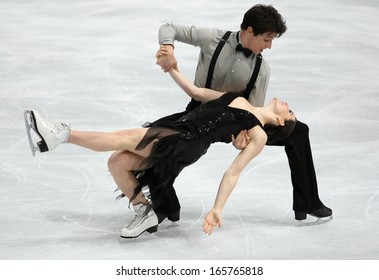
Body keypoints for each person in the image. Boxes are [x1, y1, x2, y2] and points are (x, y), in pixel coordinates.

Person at [107, 4, 332, 229]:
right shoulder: (214, 39)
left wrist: (244, 138)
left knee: (299, 131)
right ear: (250, 31)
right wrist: (168, 48)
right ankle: (166, 206)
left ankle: (307, 202)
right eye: (267, 39)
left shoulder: (262, 69)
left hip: (234, 121)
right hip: (200, 112)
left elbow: (253, 112)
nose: (270, 46)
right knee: (164, 144)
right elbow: (169, 27)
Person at [25, 67, 296, 238]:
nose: (287, 103)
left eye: (291, 110)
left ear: (282, 122)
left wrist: (217, 208)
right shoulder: (240, 98)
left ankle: (61, 135)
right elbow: (196, 91)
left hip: (189, 140)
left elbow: (233, 172)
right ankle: (146, 212)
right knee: (118, 162)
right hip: (179, 125)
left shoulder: (257, 134)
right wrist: (172, 69)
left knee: (125, 137)